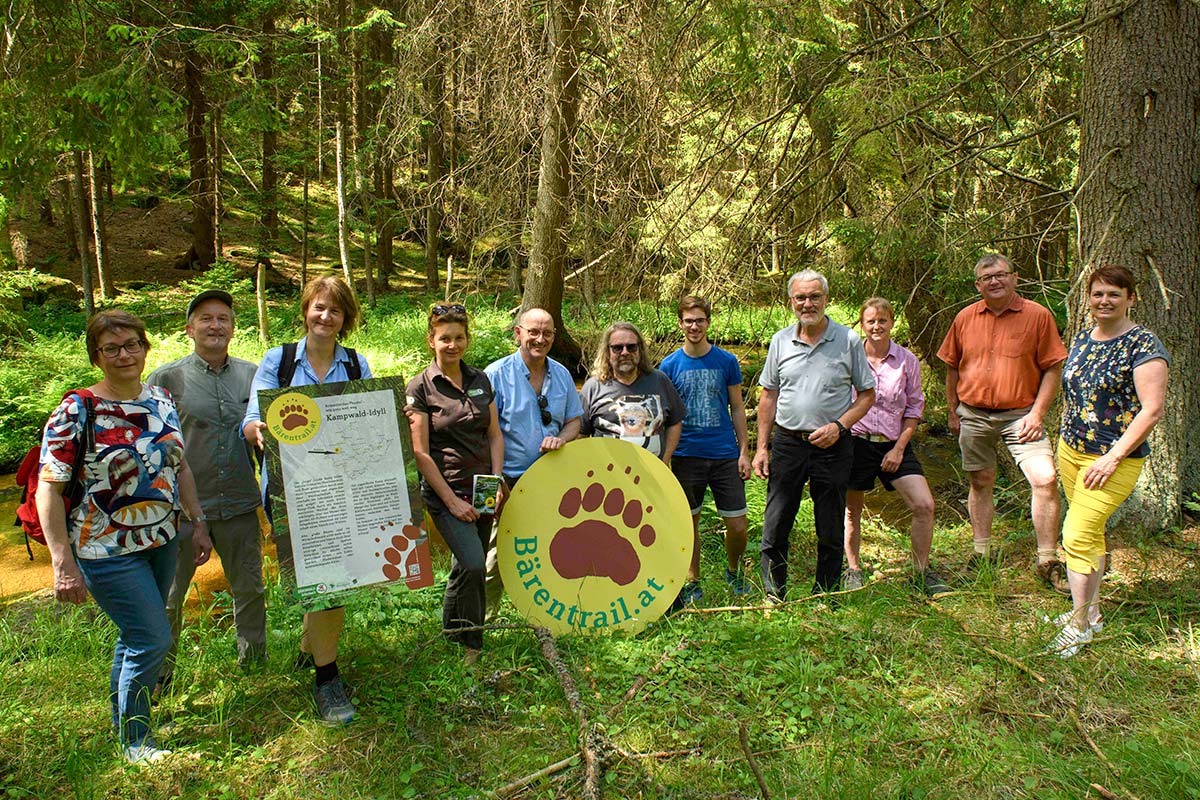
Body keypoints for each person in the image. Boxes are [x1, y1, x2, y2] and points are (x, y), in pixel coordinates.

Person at [35, 310, 212, 765]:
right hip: (104, 548)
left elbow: (181, 466)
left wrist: (198, 520)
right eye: (110, 348)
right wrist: (62, 562)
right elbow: (48, 489)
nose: (123, 355)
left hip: (162, 540)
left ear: (145, 347)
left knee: (135, 635)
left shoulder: (161, 398)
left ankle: (127, 723)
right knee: (152, 637)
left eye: (131, 344)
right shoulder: (78, 409)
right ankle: (136, 742)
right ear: (96, 357)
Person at [242, 275, 370, 725]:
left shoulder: (356, 365)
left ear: (345, 319)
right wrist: (258, 432)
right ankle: (327, 679)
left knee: (331, 580)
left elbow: (368, 421)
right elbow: (252, 421)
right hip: (291, 490)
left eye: (334, 310)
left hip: (341, 491)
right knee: (325, 581)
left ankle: (314, 658)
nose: (325, 316)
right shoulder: (278, 362)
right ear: (305, 311)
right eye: (318, 307)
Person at [1046, 264, 1168, 658]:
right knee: (1091, 535)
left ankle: (1078, 626)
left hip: (1113, 458)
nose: (1104, 301)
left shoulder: (1144, 346)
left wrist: (1112, 457)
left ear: (1131, 298)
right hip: (1072, 450)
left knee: (1077, 534)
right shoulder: (1083, 338)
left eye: (1114, 294)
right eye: (1098, 294)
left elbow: (1151, 410)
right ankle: (1091, 613)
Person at [148, 290, 266, 687]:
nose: (215, 325)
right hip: (178, 511)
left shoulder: (254, 375)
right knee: (168, 597)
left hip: (238, 501)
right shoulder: (165, 379)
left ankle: (254, 669)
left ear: (233, 328)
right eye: (205, 318)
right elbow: (150, 445)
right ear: (189, 328)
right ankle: (160, 676)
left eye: (223, 318)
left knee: (249, 588)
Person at [937, 253, 1069, 592]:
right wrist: (953, 411)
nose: (994, 281)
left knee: (1045, 479)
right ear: (978, 285)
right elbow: (952, 366)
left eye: (1001, 275)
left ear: (1014, 278)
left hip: (1022, 416)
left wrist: (1038, 414)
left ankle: (1047, 559)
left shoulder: (1038, 317)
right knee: (980, 480)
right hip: (974, 414)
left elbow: (1053, 368)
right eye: (987, 278)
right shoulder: (965, 317)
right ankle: (980, 552)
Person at [753, 269, 875, 599]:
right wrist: (761, 447)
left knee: (830, 525)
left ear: (826, 299)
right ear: (791, 302)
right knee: (776, 522)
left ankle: (825, 594)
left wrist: (840, 426)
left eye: (814, 297)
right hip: (788, 443)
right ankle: (772, 594)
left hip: (833, 446)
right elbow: (769, 396)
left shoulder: (847, 340)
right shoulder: (780, 340)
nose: (808, 304)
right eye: (801, 298)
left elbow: (867, 394)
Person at [406, 303, 505, 666]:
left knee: (465, 565)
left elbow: (494, 434)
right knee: (476, 565)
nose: (452, 344)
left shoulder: (481, 380)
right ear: (431, 340)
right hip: (445, 492)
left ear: (467, 339)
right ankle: (472, 647)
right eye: (444, 338)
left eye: (459, 337)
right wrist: (451, 502)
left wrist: (496, 480)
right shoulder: (420, 387)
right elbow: (421, 453)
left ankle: (450, 630)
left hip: (482, 487)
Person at [842, 298, 949, 597]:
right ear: (862, 324)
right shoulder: (849, 358)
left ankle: (921, 571)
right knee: (852, 511)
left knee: (924, 505)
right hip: (856, 443)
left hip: (894, 443)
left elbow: (914, 408)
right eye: (871, 321)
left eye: (883, 320)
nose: (877, 326)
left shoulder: (907, 361)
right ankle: (852, 568)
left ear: (892, 322)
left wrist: (899, 448)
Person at [483, 307, 582, 616]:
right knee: (490, 558)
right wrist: (494, 481)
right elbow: (484, 435)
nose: (540, 339)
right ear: (518, 334)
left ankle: (547, 617)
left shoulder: (563, 375)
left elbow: (574, 421)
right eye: (533, 332)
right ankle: (480, 623)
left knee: (551, 551)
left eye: (547, 333)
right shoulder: (495, 374)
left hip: (548, 480)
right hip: (504, 481)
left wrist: (562, 438)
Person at [659, 296, 752, 605]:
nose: (694, 326)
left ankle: (734, 570)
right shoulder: (669, 366)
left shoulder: (726, 361)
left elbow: (737, 408)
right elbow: (666, 416)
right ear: (680, 324)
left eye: (699, 320)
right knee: (689, 524)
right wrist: (666, 457)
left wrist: (744, 451)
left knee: (737, 525)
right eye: (688, 320)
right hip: (686, 455)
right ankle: (692, 580)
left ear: (708, 322)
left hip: (725, 453)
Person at [579, 321, 685, 463]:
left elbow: (675, 422)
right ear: (607, 352)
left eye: (631, 347)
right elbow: (581, 434)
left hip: (653, 474)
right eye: (617, 348)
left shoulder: (660, 380)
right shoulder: (592, 387)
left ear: (639, 350)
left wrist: (665, 459)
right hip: (607, 476)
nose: (625, 352)